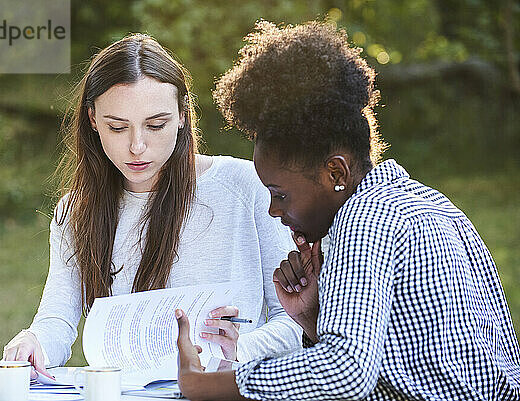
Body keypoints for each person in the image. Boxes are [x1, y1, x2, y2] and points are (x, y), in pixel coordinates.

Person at [175, 20, 520, 400]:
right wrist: (311, 319)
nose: (274, 210)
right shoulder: (431, 204)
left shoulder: (365, 219)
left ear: (335, 172)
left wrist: (205, 385)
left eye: (280, 194)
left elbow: (346, 372)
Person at [0, 33, 302, 379]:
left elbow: (292, 323)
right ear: (93, 119)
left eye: (156, 125)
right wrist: (32, 341)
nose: (137, 146)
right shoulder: (75, 211)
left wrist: (238, 349)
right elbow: (58, 320)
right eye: (117, 127)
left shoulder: (246, 186)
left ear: (183, 115)